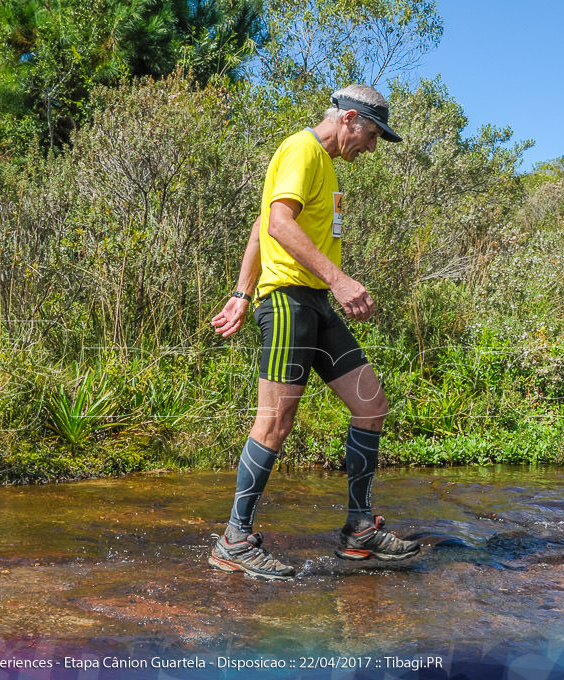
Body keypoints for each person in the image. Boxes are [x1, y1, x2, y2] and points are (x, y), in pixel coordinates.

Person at [207, 84, 420, 581]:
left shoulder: (322, 165)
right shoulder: (303, 149)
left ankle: (359, 531)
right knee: (274, 424)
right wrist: (338, 279)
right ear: (349, 118)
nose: (370, 149)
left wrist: (240, 292)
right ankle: (233, 540)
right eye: (370, 135)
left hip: (314, 303)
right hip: (287, 302)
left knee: (371, 404)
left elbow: (262, 225)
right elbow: (279, 222)